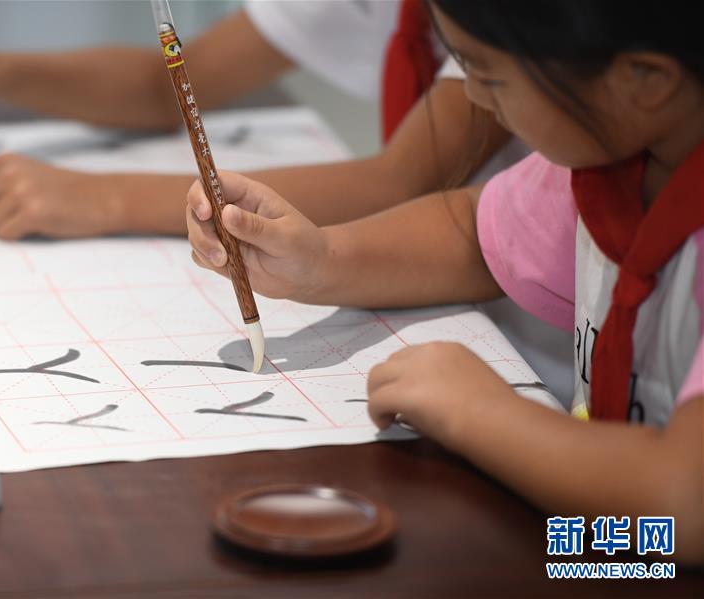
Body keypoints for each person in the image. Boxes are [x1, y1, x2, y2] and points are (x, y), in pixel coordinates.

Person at [186, 0, 704, 562]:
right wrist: (318, 258)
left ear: (644, 80)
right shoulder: (617, 165)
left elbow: (685, 506)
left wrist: (481, 414)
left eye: (489, 76)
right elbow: (474, 236)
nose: (475, 95)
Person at [0, 0, 573, 403]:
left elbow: (407, 180)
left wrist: (104, 199)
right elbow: (170, 80)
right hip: (484, 327)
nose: (482, 93)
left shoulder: (525, 31)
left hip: (531, 360)